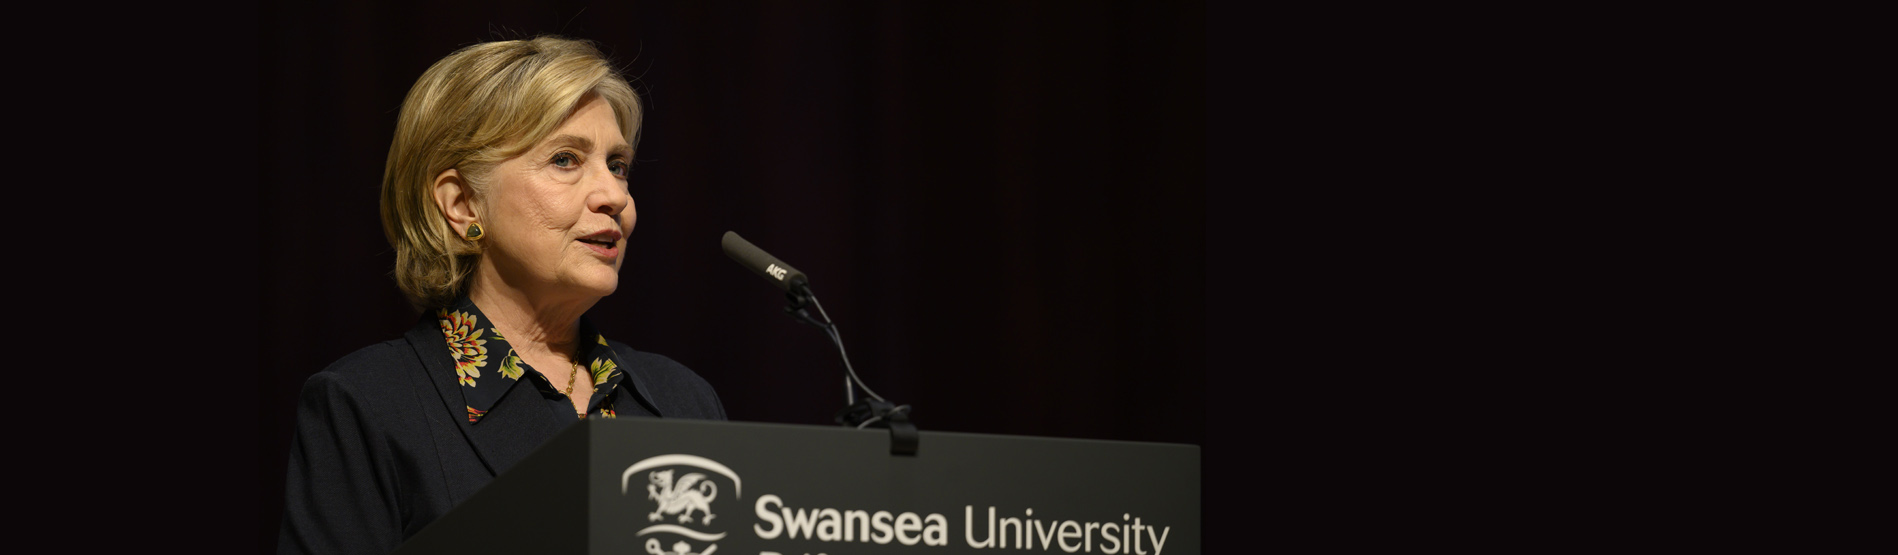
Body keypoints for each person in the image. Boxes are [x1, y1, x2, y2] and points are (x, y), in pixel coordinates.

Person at [278, 36, 726, 554]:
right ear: (463, 204)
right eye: (565, 159)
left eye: (618, 164)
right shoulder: (368, 406)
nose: (615, 197)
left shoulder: (684, 401)